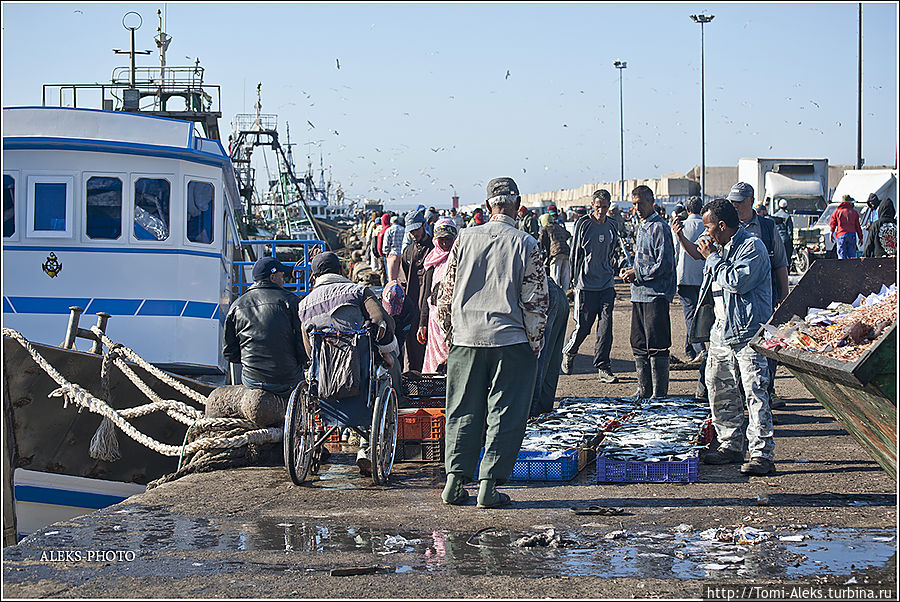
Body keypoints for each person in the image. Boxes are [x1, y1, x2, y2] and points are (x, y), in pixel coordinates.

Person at [437, 177, 549, 508]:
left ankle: (455, 482)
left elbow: (446, 296)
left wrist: (450, 335)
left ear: (488, 206)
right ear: (517, 205)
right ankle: (489, 485)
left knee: (462, 409)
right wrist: (534, 345)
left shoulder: (464, 239)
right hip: (510, 340)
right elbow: (536, 302)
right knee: (505, 412)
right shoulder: (526, 243)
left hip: (465, 338)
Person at [690, 199, 775, 476]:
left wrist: (712, 258)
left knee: (755, 392)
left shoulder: (752, 247)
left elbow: (737, 282)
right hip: (721, 333)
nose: (705, 233)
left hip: (747, 332)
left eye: (708, 226)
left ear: (722, 225)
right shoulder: (720, 249)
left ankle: (762, 453)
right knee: (719, 389)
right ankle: (730, 444)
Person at [296, 251, 399, 475]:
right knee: (380, 374)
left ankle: (317, 443)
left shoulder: (303, 305)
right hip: (359, 376)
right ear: (342, 271)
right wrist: (387, 352)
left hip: (324, 380)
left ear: (313, 276)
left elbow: (310, 349)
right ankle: (365, 448)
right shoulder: (359, 292)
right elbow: (380, 321)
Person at [619, 185, 676, 398]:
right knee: (639, 343)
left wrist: (638, 273)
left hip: (656, 296)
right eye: (634, 204)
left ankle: (659, 394)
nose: (637, 208)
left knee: (657, 344)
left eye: (640, 203)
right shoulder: (641, 227)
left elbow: (665, 265)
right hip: (639, 295)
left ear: (651, 202)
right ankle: (643, 390)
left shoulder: (660, 228)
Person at [223, 257, 307, 396]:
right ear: (272, 277)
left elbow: (229, 353)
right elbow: (302, 345)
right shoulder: (291, 301)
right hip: (286, 381)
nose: (284, 281)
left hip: (252, 380)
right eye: (282, 276)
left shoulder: (237, 305)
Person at [563, 189, 620, 383]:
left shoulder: (612, 224)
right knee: (584, 327)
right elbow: (575, 253)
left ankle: (603, 367)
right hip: (585, 284)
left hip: (606, 283)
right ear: (592, 206)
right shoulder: (584, 224)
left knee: (606, 327)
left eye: (605, 207)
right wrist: (573, 280)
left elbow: (614, 248)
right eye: (598, 207)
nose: (601, 211)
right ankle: (570, 352)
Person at [417, 218, 459, 374]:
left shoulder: (460, 258)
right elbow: (427, 294)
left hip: (454, 321)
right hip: (434, 323)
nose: (445, 243)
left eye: (448, 239)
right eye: (442, 239)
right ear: (436, 239)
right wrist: (422, 324)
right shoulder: (432, 261)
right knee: (436, 366)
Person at [670, 196, 706, 366]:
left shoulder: (681, 226)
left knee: (690, 314)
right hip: (703, 276)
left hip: (684, 276)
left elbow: (675, 251)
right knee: (696, 313)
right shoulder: (707, 226)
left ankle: (700, 349)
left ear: (687, 209)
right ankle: (690, 348)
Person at [530, 277, 570, 417]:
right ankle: (540, 415)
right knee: (549, 362)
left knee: (537, 359)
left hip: (540, 294)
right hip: (552, 291)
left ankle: (532, 415)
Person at [400, 210, 434, 372]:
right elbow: (403, 279)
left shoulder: (435, 248)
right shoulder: (407, 253)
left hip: (431, 303)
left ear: (424, 226)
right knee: (412, 344)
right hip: (413, 304)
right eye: (411, 231)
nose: (414, 234)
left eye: (417, 230)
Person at [381, 280, 416, 365]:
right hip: (382, 332)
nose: (391, 314)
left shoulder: (409, 308)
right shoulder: (377, 303)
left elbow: (402, 334)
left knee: (398, 354)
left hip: (400, 326)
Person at [539, 207, 572, 291]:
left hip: (556, 254)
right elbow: (568, 235)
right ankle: (565, 295)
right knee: (565, 277)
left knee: (555, 277)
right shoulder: (559, 227)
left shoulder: (545, 228)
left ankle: (557, 297)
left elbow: (540, 242)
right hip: (566, 252)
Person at [830, 194, 863, 259]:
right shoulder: (854, 212)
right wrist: (860, 237)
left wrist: (831, 233)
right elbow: (858, 226)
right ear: (849, 202)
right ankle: (851, 268)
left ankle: (842, 268)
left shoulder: (837, 212)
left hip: (841, 235)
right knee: (852, 257)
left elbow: (833, 223)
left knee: (841, 256)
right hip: (852, 235)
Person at [381, 214, 405, 281]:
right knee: (401, 278)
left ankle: (392, 291)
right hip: (402, 254)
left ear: (391, 222)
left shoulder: (389, 230)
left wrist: (386, 253)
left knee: (392, 278)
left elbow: (386, 245)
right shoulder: (403, 229)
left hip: (392, 254)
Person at [772, 199, 794, 269]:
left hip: (777, 239)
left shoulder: (775, 216)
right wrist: (791, 241)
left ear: (778, 206)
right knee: (786, 258)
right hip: (785, 240)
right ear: (786, 207)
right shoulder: (787, 216)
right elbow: (790, 230)